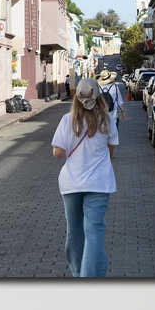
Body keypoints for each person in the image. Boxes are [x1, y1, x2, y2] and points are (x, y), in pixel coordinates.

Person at [50, 75, 118, 278]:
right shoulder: (106, 119)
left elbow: (58, 152)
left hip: (71, 183)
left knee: (75, 231)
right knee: (94, 231)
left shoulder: (67, 120)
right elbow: (111, 151)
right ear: (98, 97)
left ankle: (79, 272)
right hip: (99, 183)